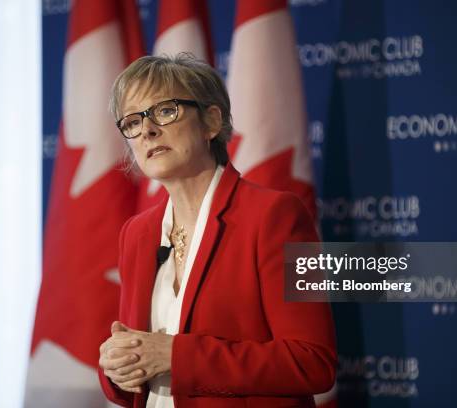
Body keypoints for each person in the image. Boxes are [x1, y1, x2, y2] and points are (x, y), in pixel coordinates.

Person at [98, 53, 336, 408]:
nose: (146, 130)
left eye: (165, 111)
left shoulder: (274, 216)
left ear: (211, 121)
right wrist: (117, 368)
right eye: (132, 121)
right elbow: (142, 368)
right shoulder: (137, 233)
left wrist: (178, 356)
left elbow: (312, 362)